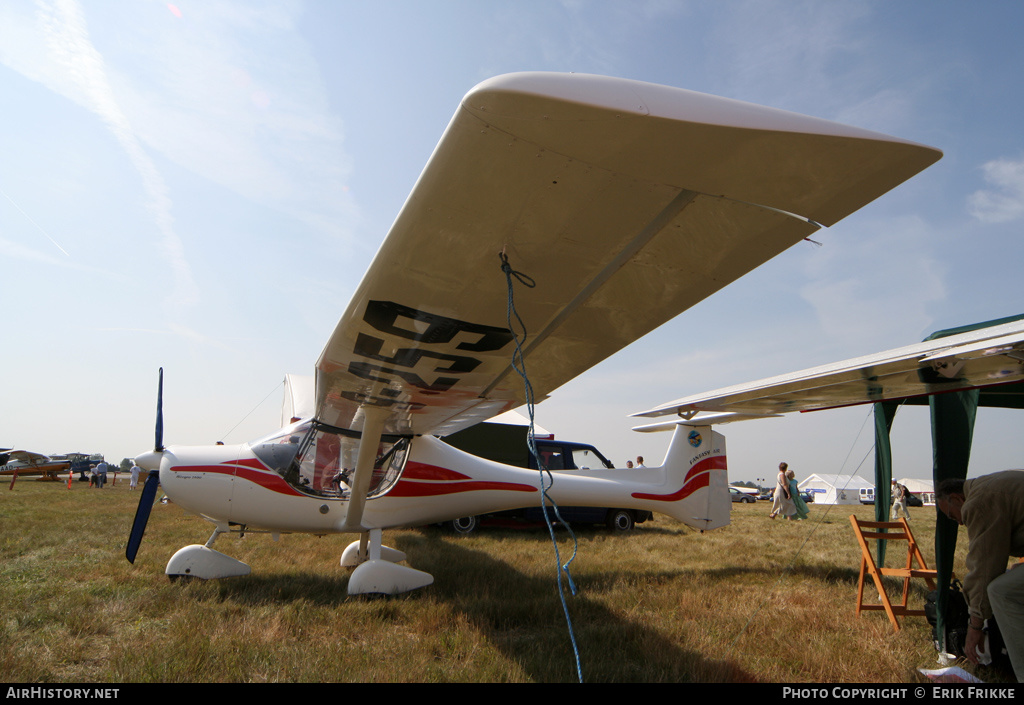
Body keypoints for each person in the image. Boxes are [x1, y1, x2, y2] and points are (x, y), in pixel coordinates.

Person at [936, 471, 1024, 681]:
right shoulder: (989, 484)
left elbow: (985, 568)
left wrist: (975, 625)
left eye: (952, 515)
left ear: (957, 498)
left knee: (1001, 591)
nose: (959, 522)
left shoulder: (978, 501)